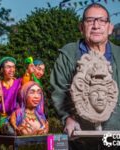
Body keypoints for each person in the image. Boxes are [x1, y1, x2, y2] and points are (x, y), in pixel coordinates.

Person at [50, 3, 120, 150]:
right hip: (80, 137)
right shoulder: (68, 54)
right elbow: (58, 90)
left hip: (114, 136)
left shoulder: (118, 55)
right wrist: (67, 118)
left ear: (110, 28)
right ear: (81, 27)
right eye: (90, 20)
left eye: (102, 20)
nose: (96, 25)